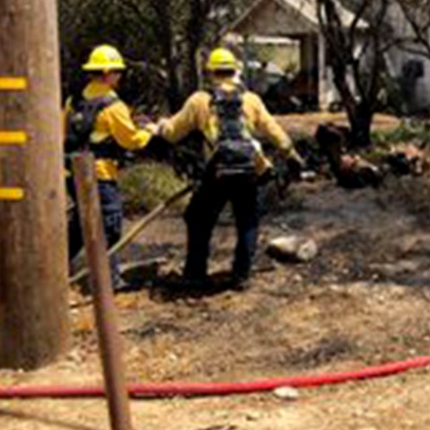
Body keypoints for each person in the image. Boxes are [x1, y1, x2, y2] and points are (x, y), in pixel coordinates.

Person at [157, 48, 304, 289]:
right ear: (236, 70)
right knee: (247, 221)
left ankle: (195, 273)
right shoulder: (251, 100)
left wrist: (160, 126)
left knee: (198, 219)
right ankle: (241, 275)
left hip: (217, 171)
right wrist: (292, 155)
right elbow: (275, 132)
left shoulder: (199, 101)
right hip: (249, 169)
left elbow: (172, 134)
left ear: (211, 73)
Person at [65, 45, 156, 289]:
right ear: (107, 73)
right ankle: (107, 280)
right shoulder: (113, 106)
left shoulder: (73, 101)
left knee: (81, 222)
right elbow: (131, 141)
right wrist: (150, 132)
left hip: (72, 173)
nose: (120, 76)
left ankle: (56, 266)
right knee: (109, 226)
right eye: (117, 72)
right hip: (101, 175)